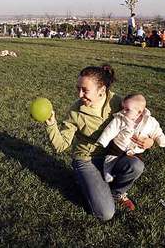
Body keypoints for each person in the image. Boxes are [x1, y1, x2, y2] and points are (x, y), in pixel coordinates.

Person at [45, 64, 154, 220]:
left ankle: (117, 193)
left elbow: (143, 119)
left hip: (113, 156)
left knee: (136, 165)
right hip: (87, 160)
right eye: (78, 89)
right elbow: (61, 146)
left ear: (102, 90)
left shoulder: (118, 102)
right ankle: (82, 178)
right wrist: (51, 124)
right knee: (105, 213)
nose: (80, 94)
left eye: (85, 90)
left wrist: (150, 141)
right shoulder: (75, 111)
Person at [98, 93, 165, 183]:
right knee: (110, 159)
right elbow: (111, 129)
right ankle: (107, 172)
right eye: (123, 108)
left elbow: (157, 131)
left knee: (136, 166)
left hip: (135, 151)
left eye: (127, 109)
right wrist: (103, 140)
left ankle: (120, 186)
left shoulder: (150, 122)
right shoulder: (121, 118)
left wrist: (161, 140)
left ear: (139, 112)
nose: (123, 111)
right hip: (118, 146)